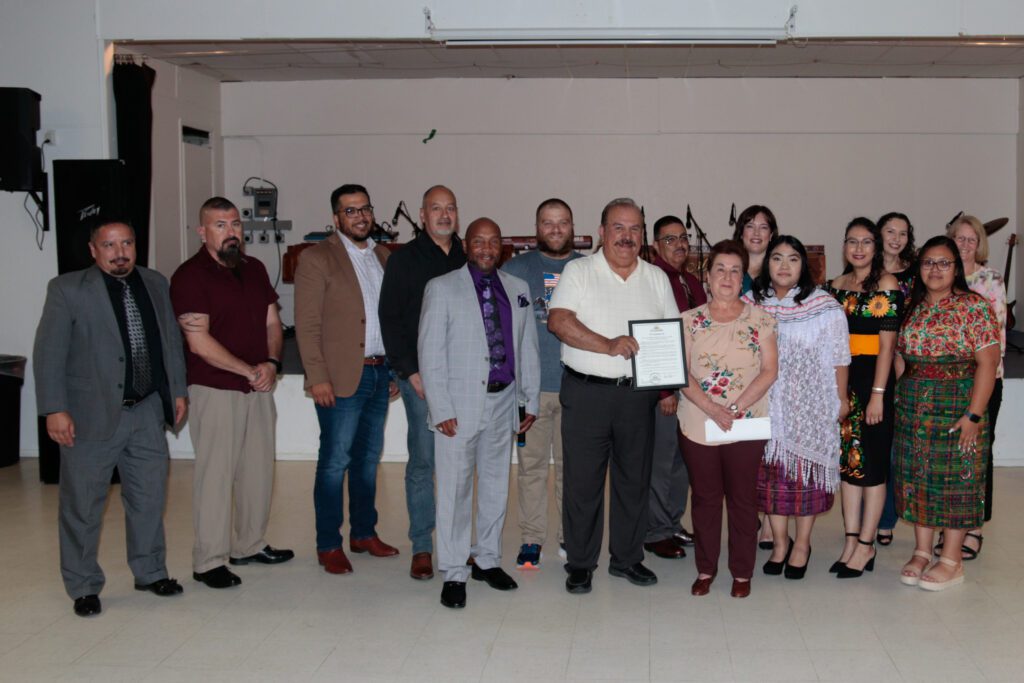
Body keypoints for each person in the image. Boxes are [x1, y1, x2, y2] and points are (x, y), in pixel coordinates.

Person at [33, 217, 188, 617]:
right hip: (89, 416)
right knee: (83, 505)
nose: (120, 252)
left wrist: (177, 391)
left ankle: (151, 571)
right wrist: (54, 408)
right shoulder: (67, 289)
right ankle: (83, 585)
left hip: (147, 409)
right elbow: (48, 354)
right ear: (93, 250)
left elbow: (170, 340)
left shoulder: (155, 282)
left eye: (127, 243)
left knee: (149, 499)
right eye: (109, 245)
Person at [548, 197, 679, 595]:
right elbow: (559, 321)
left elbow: (670, 332)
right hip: (587, 393)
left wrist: (667, 382)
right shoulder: (580, 270)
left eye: (635, 229)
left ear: (643, 236)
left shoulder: (656, 277)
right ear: (602, 232)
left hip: (636, 397)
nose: (627, 236)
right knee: (582, 483)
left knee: (633, 481)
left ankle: (626, 558)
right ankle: (581, 563)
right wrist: (608, 345)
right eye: (618, 228)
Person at [171, 196, 293, 590]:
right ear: (202, 231)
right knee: (216, 475)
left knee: (258, 470)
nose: (231, 232)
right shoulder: (190, 276)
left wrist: (272, 365)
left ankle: (248, 544)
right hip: (215, 388)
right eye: (220, 225)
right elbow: (198, 341)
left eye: (236, 224)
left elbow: (273, 323)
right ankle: (208, 560)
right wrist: (248, 370)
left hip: (259, 387)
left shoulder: (254, 269)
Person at [418, 218, 541, 608]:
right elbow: (430, 352)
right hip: (458, 406)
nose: (486, 248)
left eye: (493, 242)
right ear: (466, 245)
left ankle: (486, 559)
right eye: (478, 241)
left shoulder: (518, 289)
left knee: (494, 485)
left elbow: (528, 349)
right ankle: (454, 570)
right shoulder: (441, 288)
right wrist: (440, 408)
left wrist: (529, 400)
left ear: (501, 247)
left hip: (504, 402)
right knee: (454, 489)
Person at [294, 184, 400, 576]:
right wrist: (317, 377)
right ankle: (327, 543)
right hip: (338, 378)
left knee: (368, 461)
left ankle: (363, 533)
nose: (360, 216)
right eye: (350, 211)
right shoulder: (317, 258)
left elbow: (390, 318)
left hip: (378, 372)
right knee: (334, 461)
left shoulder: (383, 257)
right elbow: (306, 324)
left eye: (365, 209)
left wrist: (394, 369)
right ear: (336, 218)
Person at [893, 236, 1000, 591]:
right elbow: (899, 357)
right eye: (927, 263)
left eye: (943, 263)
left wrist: (974, 415)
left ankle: (951, 560)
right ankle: (923, 552)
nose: (934, 270)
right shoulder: (913, 305)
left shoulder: (974, 307)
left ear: (956, 268)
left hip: (959, 405)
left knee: (956, 481)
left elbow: (988, 362)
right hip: (913, 407)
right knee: (919, 477)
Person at [746, 236, 850, 580]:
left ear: (803, 265)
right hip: (767, 408)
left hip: (810, 407)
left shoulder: (824, 306)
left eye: (793, 259)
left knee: (806, 482)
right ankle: (779, 543)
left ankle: (802, 544)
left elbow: (839, 357)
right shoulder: (751, 303)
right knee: (771, 483)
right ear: (766, 265)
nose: (784, 266)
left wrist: (841, 398)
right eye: (777, 258)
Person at [679, 240, 778, 599]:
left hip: (747, 423)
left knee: (742, 500)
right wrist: (713, 408)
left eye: (735, 270)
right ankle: (706, 569)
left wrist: (735, 407)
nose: (727, 276)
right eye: (720, 269)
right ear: (707, 277)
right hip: (698, 421)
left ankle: (741, 572)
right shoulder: (688, 321)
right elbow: (682, 372)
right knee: (705, 499)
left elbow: (769, 370)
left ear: (743, 279)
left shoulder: (761, 320)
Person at [379, 185, 466, 581]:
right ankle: (422, 546)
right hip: (422, 380)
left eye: (450, 208)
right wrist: (410, 371)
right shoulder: (404, 261)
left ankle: (454, 542)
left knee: (460, 464)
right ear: (422, 214)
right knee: (425, 460)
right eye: (436, 209)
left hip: (466, 378)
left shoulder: (470, 257)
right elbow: (391, 320)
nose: (444, 215)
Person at [500, 198, 583, 569]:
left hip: (578, 388)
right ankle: (532, 538)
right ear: (537, 228)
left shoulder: (588, 269)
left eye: (562, 222)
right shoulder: (515, 270)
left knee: (573, 468)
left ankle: (570, 536)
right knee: (531, 467)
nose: (555, 229)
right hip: (530, 392)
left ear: (572, 226)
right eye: (547, 223)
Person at [825, 217, 902, 579]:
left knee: (872, 466)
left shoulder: (886, 285)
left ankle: (868, 544)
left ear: (876, 247)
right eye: (851, 241)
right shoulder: (834, 287)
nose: (858, 248)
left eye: (866, 242)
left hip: (875, 382)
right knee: (848, 465)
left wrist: (878, 396)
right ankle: (851, 540)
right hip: (842, 382)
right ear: (844, 245)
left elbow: (888, 348)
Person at [942, 214, 1006, 560]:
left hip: (983, 380)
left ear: (979, 243)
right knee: (950, 454)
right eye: (959, 238)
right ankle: (951, 523)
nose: (965, 244)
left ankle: (975, 526)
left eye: (971, 239)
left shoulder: (990, 280)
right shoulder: (941, 276)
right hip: (947, 383)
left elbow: (991, 335)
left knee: (979, 454)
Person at [643, 215, 706, 559]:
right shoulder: (652, 279)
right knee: (661, 461)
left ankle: (672, 521)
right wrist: (664, 390)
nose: (679, 244)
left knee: (684, 460)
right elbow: (653, 334)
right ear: (655, 245)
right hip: (665, 390)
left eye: (683, 238)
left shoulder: (690, 281)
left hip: (693, 389)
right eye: (669, 239)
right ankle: (654, 531)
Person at [876, 211, 917, 547]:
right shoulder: (863, 272)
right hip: (871, 365)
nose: (896, 238)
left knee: (897, 447)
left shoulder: (917, 275)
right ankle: (880, 516)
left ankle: (888, 517)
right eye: (890, 231)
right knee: (877, 444)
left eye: (902, 233)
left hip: (907, 366)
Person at [731, 205, 779, 294]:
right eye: (750, 226)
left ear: (771, 235)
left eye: (763, 227)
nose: (756, 233)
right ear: (741, 233)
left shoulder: (779, 270)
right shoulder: (730, 269)